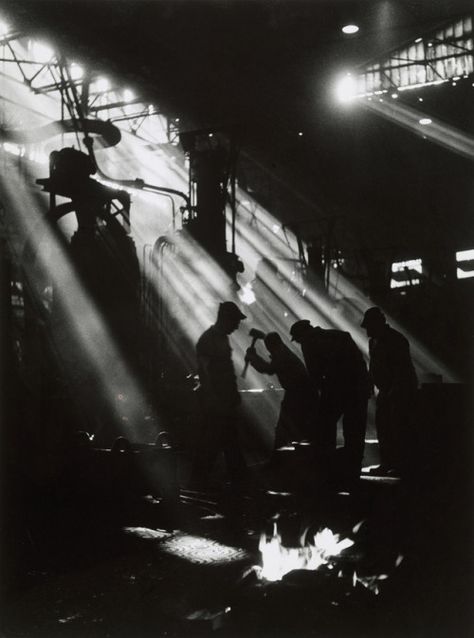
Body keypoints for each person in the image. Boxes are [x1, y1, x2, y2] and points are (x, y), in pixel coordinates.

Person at [290, 319, 371, 484]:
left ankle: (327, 469)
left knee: (325, 426)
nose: (298, 343)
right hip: (358, 387)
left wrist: (316, 397)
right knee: (355, 430)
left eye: (297, 340)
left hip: (337, 388)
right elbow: (359, 361)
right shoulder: (340, 335)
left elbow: (315, 374)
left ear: (300, 335)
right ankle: (353, 471)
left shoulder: (308, 342)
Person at [194, 301, 247, 488]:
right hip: (216, 403)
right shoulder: (208, 340)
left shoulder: (221, 338)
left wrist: (231, 395)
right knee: (215, 442)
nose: (237, 325)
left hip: (224, 401)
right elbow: (205, 373)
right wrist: (214, 400)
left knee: (226, 441)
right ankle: (200, 480)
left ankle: (237, 480)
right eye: (235, 321)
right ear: (226, 319)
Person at [361, 307, 418, 476]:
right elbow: (375, 365)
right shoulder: (374, 341)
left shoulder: (396, 340)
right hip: (387, 391)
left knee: (398, 428)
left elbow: (402, 370)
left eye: (368, 326)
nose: (366, 330)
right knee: (384, 427)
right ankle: (387, 463)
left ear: (377, 324)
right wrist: (372, 383)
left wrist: (394, 391)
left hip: (401, 390)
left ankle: (401, 465)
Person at [245, 331, 317, 450]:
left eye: (268, 347)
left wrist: (253, 358)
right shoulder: (282, 350)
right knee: (297, 425)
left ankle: (280, 458)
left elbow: (269, 369)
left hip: (299, 393)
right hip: (301, 392)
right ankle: (297, 455)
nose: (269, 351)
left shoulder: (282, 355)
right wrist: (256, 353)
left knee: (286, 425)